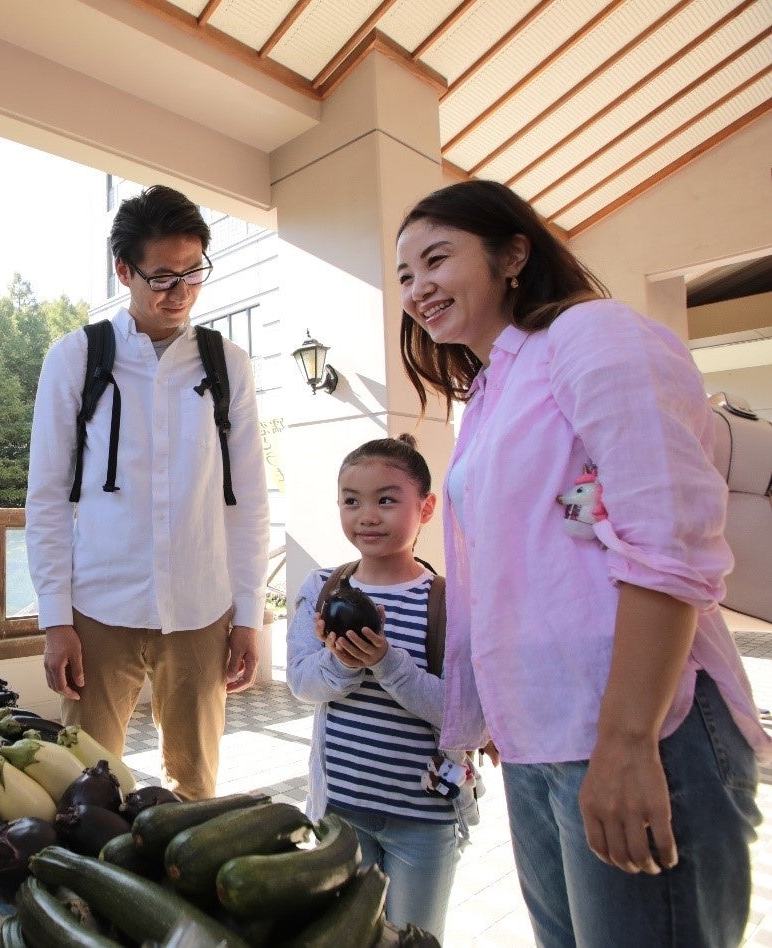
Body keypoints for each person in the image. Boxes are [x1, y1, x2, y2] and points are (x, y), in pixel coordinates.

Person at [396, 178, 771, 947]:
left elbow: (669, 536)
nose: (417, 288)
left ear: (513, 254)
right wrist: (499, 716)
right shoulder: (493, 389)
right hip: (543, 741)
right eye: (404, 276)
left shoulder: (591, 334)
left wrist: (628, 742)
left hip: (639, 728)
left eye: (436, 259)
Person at [25, 184, 269, 801]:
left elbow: (246, 503)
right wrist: (56, 619)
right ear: (124, 271)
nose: (180, 292)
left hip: (200, 608)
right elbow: (48, 497)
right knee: (82, 788)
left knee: (194, 791)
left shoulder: (227, 366)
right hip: (99, 608)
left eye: (193, 273)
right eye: (162, 277)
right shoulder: (76, 359)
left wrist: (248, 614)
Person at [287, 434, 473, 941]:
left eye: (387, 500)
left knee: (413, 938)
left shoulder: (449, 600)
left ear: (426, 507)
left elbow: (466, 716)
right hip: (340, 812)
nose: (366, 515)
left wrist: (388, 663)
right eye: (351, 501)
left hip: (423, 818)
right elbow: (302, 684)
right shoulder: (322, 589)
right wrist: (343, 664)